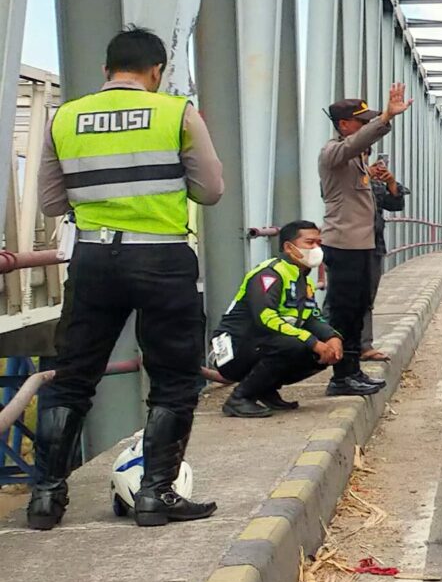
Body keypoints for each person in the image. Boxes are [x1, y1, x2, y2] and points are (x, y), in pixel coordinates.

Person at [26, 26, 224, 528]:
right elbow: (210, 191)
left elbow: (51, 202)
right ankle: (156, 494)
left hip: (93, 260)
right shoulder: (176, 113)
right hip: (161, 260)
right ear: (156, 72)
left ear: (105, 71)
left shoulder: (65, 116)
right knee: (175, 380)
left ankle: (46, 498)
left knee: (71, 378)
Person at [214, 222, 362, 418]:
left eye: (319, 242)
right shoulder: (270, 274)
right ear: (288, 247)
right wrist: (312, 342)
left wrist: (332, 338)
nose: (316, 248)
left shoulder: (301, 279)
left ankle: (264, 389)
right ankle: (239, 398)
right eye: (310, 242)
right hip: (235, 348)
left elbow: (311, 317)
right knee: (297, 345)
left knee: (321, 352)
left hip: (261, 343)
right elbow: (266, 318)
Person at [320, 86, 409, 396]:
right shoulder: (332, 152)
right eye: (361, 121)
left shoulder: (357, 163)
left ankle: (353, 369)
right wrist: (385, 117)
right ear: (344, 125)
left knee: (357, 310)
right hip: (343, 245)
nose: (365, 127)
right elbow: (356, 143)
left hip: (361, 246)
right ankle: (341, 377)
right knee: (343, 312)